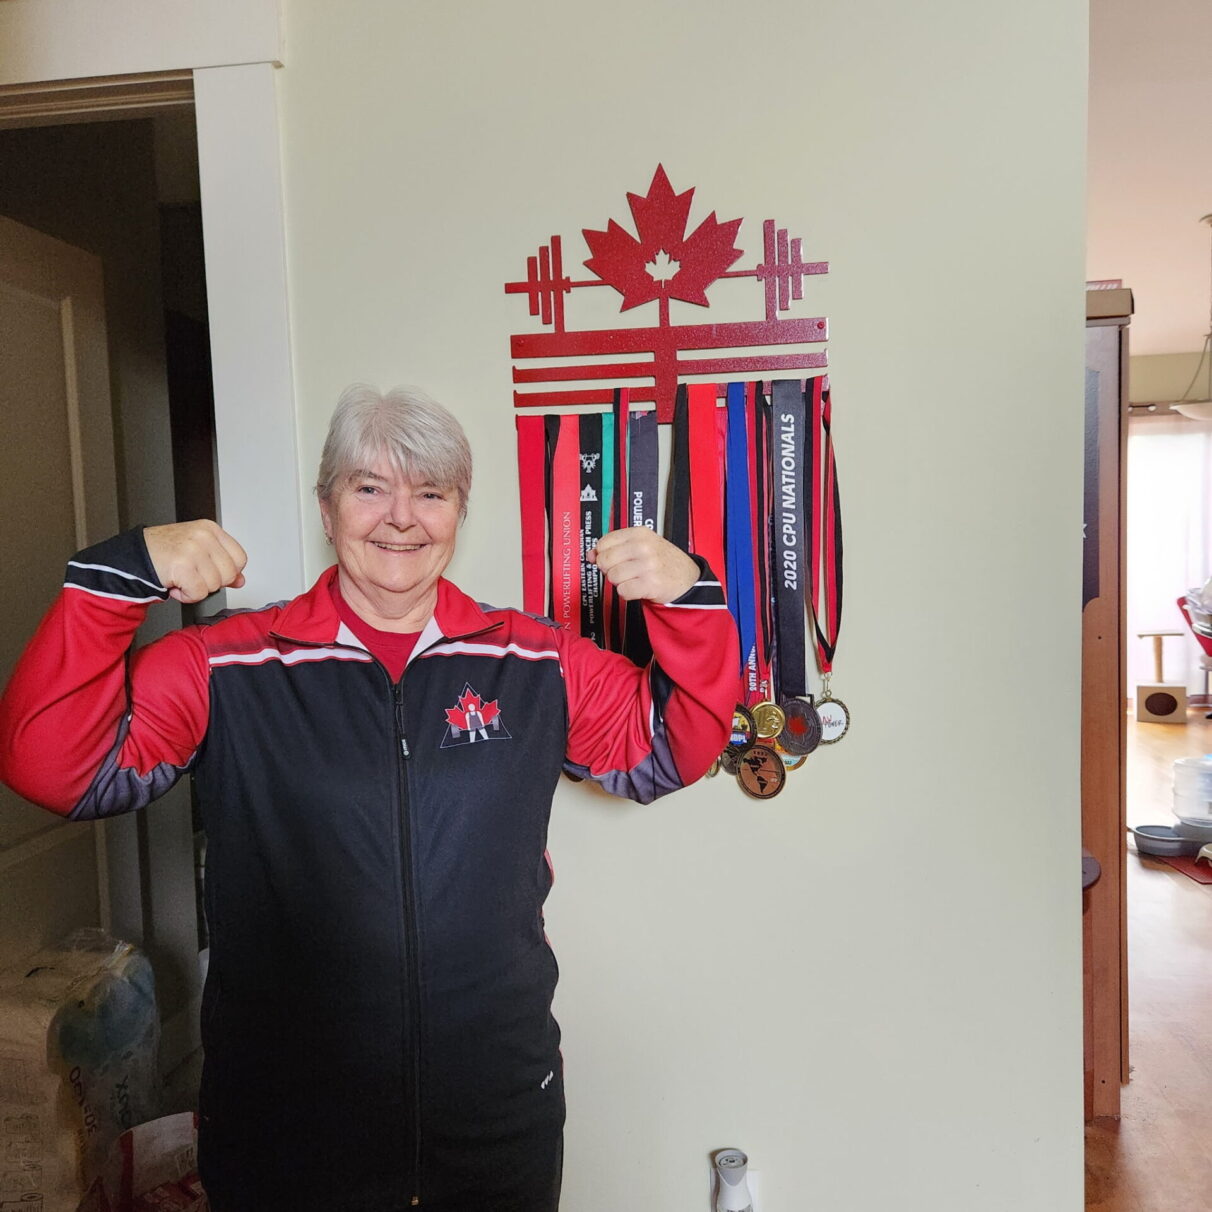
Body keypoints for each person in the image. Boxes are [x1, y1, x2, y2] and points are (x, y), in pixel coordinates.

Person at [0, 384, 738, 1212]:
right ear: (327, 506)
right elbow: (51, 764)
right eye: (369, 488)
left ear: (460, 512)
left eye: (431, 492)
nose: (401, 518)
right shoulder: (228, 665)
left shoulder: (534, 661)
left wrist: (692, 598)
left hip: (496, 1108)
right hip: (286, 1121)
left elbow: (674, 745)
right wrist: (116, 579)